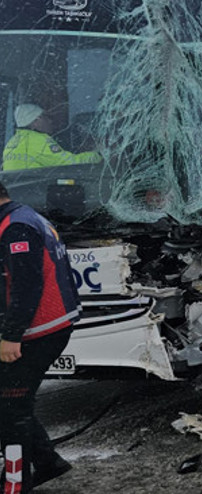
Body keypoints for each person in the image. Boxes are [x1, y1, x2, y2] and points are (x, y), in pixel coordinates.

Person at [0, 182, 80, 492]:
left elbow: (26, 286)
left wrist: (11, 337)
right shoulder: (21, 217)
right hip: (43, 328)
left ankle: (15, 484)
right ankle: (48, 462)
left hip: (40, 331)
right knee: (10, 402)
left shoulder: (17, 227)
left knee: (10, 410)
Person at [2, 104, 102, 171]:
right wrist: (99, 154)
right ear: (36, 121)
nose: (50, 121)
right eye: (46, 117)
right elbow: (69, 164)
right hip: (36, 195)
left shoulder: (12, 142)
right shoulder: (38, 140)